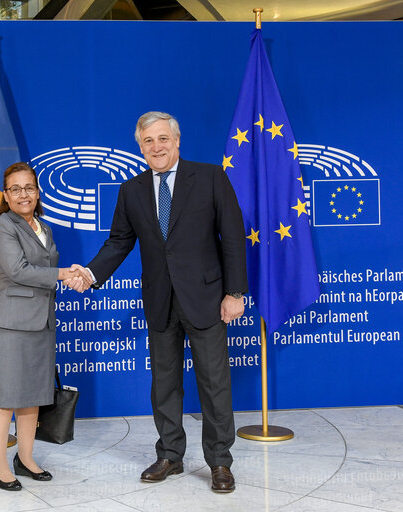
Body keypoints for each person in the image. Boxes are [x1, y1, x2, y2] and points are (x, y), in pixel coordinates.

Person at [72, 111, 247, 493]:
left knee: (214, 385)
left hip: (206, 298)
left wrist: (235, 293)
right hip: (160, 301)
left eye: (163, 139)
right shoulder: (131, 189)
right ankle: (170, 454)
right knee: (164, 385)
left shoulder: (211, 177)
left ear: (177, 140)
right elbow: (119, 241)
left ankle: (219, 462)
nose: (157, 147)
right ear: (140, 147)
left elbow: (233, 237)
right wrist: (89, 273)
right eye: (148, 142)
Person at [0, 162, 83, 491]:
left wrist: (71, 277)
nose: (23, 194)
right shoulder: (2, 227)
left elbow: (43, 272)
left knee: (32, 397)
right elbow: (19, 270)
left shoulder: (44, 227)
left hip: (41, 323)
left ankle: (25, 458)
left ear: (37, 192)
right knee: (4, 398)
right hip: (10, 325)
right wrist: (63, 274)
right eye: (15, 189)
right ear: (6, 195)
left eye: (29, 188)